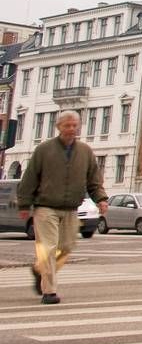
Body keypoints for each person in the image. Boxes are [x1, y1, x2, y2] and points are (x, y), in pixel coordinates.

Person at [17, 110, 107, 305]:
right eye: (67, 125)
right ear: (59, 127)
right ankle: (49, 291)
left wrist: (101, 199)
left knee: (65, 248)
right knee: (47, 249)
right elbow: (29, 178)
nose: (71, 129)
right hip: (45, 207)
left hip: (71, 208)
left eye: (74, 125)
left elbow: (94, 179)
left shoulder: (85, 151)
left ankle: (39, 270)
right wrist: (24, 204)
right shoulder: (44, 150)